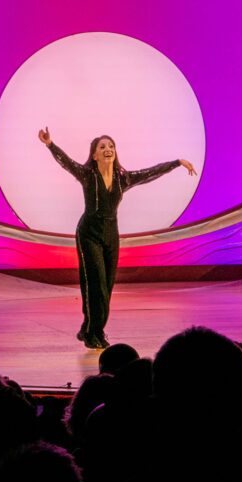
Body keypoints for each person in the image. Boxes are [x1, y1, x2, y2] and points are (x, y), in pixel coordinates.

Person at [38, 128, 197, 349]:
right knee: (95, 284)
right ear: (94, 155)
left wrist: (177, 162)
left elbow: (149, 173)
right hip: (89, 234)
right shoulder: (87, 175)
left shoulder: (123, 178)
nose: (108, 150)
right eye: (102, 147)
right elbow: (66, 162)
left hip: (111, 235)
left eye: (111, 146)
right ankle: (95, 333)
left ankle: (88, 328)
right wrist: (50, 144)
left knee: (107, 285)